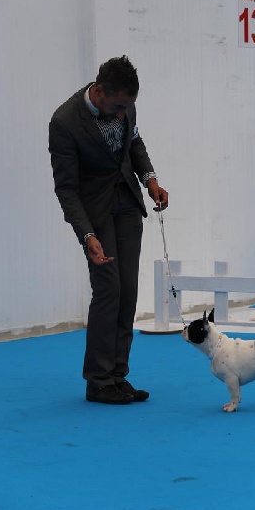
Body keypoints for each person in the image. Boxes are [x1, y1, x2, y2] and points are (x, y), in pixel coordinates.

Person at [49, 55, 168, 405]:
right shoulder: (64, 121)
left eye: (127, 107)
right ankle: (99, 381)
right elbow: (66, 189)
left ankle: (118, 375)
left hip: (127, 204)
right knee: (108, 290)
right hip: (95, 212)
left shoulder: (125, 106)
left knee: (128, 290)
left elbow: (134, 143)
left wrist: (150, 180)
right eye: (117, 107)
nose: (121, 114)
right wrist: (86, 235)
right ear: (99, 91)